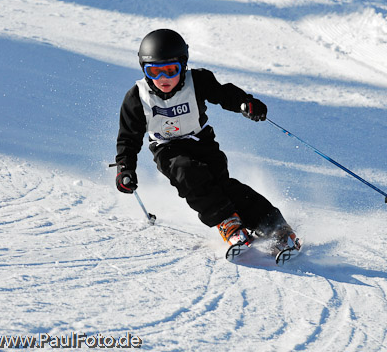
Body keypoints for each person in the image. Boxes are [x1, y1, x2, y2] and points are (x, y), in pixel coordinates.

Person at [115, 29, 300, 252]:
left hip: (202, 142)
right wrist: (125, 168)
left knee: (224, 186)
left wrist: (245, 103)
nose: (163, 79)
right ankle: (228, 223)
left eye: (170, 70)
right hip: (167, 149)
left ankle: (273, 225)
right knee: (188, 174)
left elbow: (223, 94)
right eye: (154, 72)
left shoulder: (198, 80)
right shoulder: (137, 97)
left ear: (183, 66)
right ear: (144, 70)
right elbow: (128, 138)